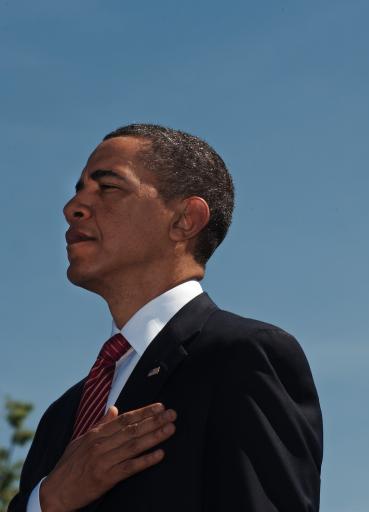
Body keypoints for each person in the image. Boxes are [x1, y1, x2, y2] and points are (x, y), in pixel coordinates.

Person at [9, 124, 323, 511]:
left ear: (185, 220)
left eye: (107, 187)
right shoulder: (62, 415)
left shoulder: (242, 356)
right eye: (78, 189)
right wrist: (48, 500)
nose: (72, 207)